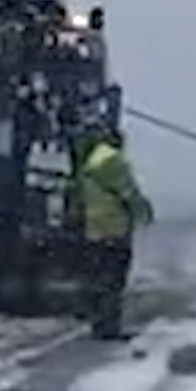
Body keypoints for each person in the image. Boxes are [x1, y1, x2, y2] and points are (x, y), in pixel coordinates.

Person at [70, 125, 155, 339]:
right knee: (114, 279)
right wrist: (144, 213)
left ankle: (97, 322)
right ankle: (109, 327)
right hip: (114, 227)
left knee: (98, 276)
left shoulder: (88, 163)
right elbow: (128, 192)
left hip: (95, 228)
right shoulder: (112, 160)